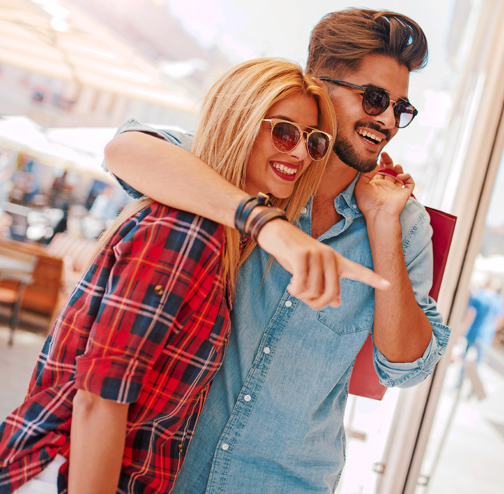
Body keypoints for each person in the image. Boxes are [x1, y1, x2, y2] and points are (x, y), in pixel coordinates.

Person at [0, 58, 385, 494]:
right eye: (284, 132)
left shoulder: (226, 239)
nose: (300, 153)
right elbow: (99, 400)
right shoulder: (187, 232)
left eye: (314, 141)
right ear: (238, 124)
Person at [102, 8, 450, 492]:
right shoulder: (245, 167)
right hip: (166, 470)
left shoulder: (406, 225)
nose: (388, 120)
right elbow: (126, 149)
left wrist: (382, 223)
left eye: (400, 108)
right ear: (318, 85)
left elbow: (406, 365)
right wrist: (267, 225)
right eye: (373, 99)